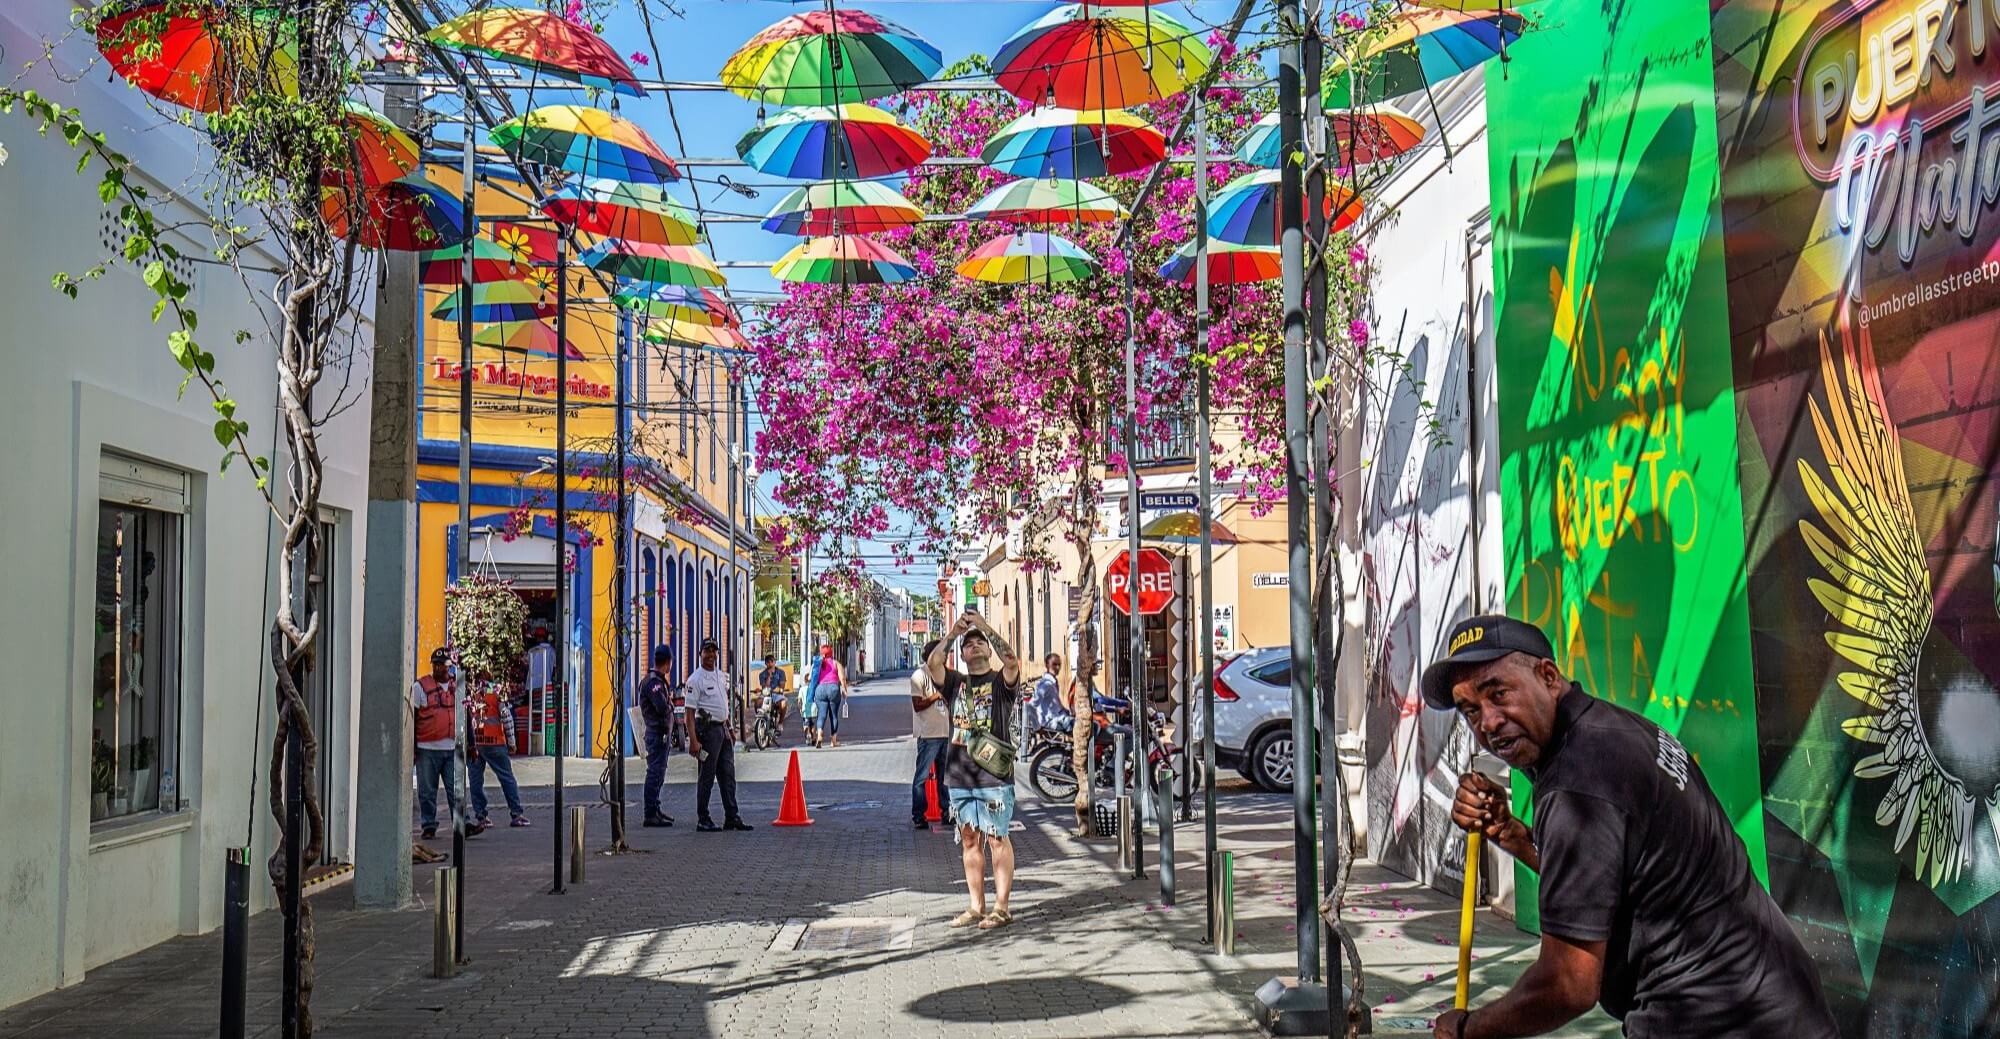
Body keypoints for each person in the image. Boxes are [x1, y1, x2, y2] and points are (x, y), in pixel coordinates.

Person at [1423, 615, 1836, 1039]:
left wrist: (1468, 1029)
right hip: (1780, 1004)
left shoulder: (1579, 782)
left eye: (1499, 693)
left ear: (1547, 677)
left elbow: (1568, 985)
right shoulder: (1611, 729)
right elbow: (1600, 883)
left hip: (1721, 1020)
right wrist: (1509, 831)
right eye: (1471, 711)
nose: (1488, 723)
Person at [926, 610, 1021, 930]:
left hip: (994, 776)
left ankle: (1002, 907)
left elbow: (1011, 660)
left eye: (981, 642)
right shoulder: (954, 683)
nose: (975, 645)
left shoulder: (1001, 683)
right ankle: (976, 905)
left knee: (997, 839)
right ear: (963, 654)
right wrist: (954, 633)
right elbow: (933, 664)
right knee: (969, 841)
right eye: (970, 644)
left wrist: (984, 626)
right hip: (961, 775)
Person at [411, 647, 481, 840]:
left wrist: (472, 745)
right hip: (427, 749)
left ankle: (463, 823)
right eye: (437, 664)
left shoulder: (458, 687)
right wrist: (412, 749)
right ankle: (428, 825)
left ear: (450, 667)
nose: (440, 668)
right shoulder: (420, 687)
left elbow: (465, 717)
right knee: (426, 792)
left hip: (452, 749)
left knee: (456, 789)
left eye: (444, 665)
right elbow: (413, 718)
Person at [685, 639, 751, 832]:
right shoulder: (695, 680)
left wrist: (730, 729)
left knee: (728, 775)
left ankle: (732, 817)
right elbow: (689, 714)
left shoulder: (720, 676)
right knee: (707, 776)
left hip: (722, 730)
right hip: (707, 732)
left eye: (714, 651)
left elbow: (724, 706)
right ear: (700, 654)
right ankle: (703, 818)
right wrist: (693, 741)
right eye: (707, 651)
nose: (711, 655)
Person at [466, 676, 528, 828]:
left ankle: (481, 817)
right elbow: (506, 717)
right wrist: (512, 742)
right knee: (507, 778)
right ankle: (516, 814)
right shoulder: (495, 692)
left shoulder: (469, 693)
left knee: (475, 780)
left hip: (475, 744)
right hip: (495, 743)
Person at [909, 638, 949, 830]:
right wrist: (935, 696)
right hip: (928, 735)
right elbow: (917, 705)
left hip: (945, 733)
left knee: (946, 776)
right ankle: (918, 814)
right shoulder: (919, 676)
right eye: (942, 653)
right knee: (922, 777)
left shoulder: (946, 676)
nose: (945, 657)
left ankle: (947, 811)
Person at [1059, 654, 1101, 838]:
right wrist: (1120, 704)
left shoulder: (1084, 682)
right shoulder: (1084, 684)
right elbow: (1101, 700)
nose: (1098, 667)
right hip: (1083, 724)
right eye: (1096, 664)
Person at [637, 644, 675, 828]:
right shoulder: (653, 682)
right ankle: (650, 813)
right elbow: (662, 707)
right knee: (654, 773)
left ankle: (655, 809)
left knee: (659, 773)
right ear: (668, 662)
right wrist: (670, 705)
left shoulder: (656, 680)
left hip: (660, 734)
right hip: (656, 734)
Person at [806, 643, 849, 748]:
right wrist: (844, 689)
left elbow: (810, 678)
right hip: (833, 688)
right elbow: (842, 678)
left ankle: (820, 733)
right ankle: (833, 740)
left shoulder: (816, 664)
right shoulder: (836, 663)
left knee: (821, 714)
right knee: (833, 715)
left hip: (820, 689)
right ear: (831, 653)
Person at [524, 623, 555, 752]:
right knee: (544, 715)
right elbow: (554, 668)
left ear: (537, 638)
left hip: (531, 687)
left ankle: (533, 745)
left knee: (534, 718)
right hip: (545, 687)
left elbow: (526, 665)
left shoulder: (531, 652)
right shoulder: (551, 651)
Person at [757, 653, 789, 730]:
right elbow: (764, 687)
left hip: (777, 695)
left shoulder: (781, 672)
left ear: (775, 662)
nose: (770, 663)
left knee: (783, 704)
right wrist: (769, 676)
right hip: (766, 694)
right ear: (765, 663)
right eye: (768, 662)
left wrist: (779, 689)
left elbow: (782, 685)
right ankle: (760, 721)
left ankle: (780, 723)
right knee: (757, 703)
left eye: (772, 661)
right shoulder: (762, 674)